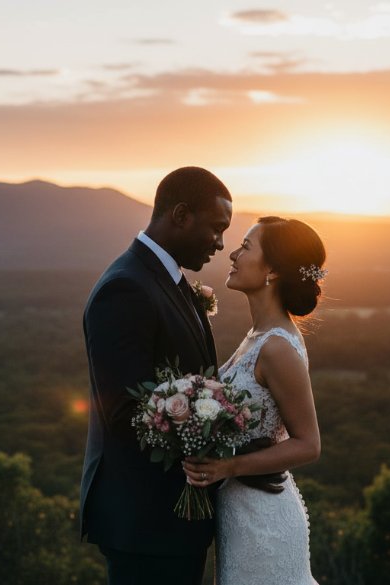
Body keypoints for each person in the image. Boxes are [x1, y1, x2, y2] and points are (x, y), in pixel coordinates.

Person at [80, 166, 233, 585]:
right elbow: (125, 411)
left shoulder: (169, 280)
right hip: (146, 524)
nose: (221, 243)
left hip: (174, 525)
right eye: (216, 228)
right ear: (181, 215)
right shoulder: (125, 288)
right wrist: (205, 431)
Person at [182, 216, 326, 585]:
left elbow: (308, 444)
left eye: (246, 247)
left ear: (273, 270)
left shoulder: (277, 347)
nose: (233, 253)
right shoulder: (257, 335)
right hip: (239, 514)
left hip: (264, 524)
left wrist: (227, 467)